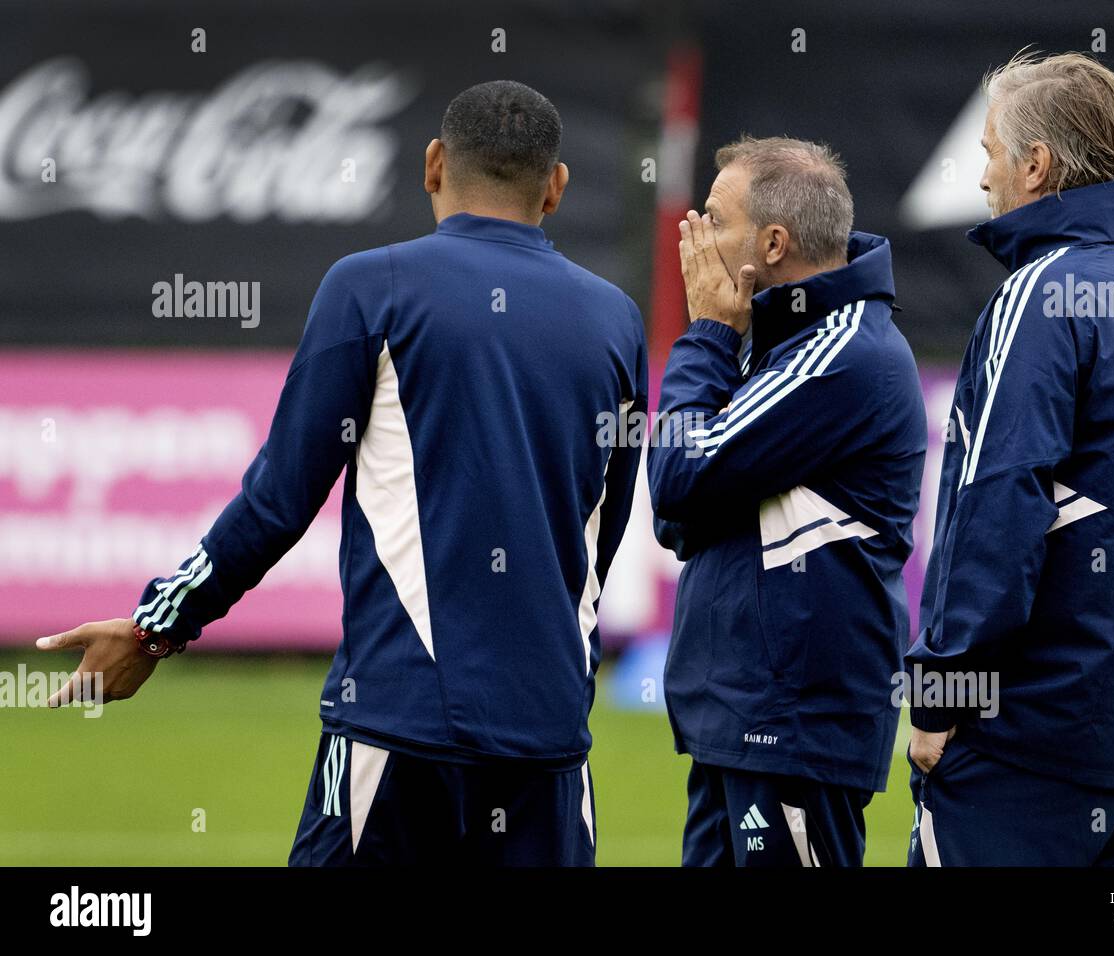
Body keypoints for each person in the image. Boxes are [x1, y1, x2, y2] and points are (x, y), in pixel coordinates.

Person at [37, 80, 647, 867]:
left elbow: (279, 498)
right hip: (549, 745)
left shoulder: (371, 287)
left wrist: (160, 627)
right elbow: (608, 522)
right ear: (556, 187)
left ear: (433, 165)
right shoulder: (616, 319)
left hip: (397, 730)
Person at [904, 52, 1114, 866]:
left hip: (1022, 744)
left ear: (1036, 165)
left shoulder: (1039, 294)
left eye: (989, 152)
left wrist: (939, 693)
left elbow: (996, 503)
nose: (983, 178)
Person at [647, 136, 927, 866]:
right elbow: (675, 517)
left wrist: (705, 331)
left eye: (715, 218)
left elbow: (677, 475)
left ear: (773, 242)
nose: (697, 235)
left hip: (792, 729)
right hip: (740, 723)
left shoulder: (841, 353)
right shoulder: (773, 340)